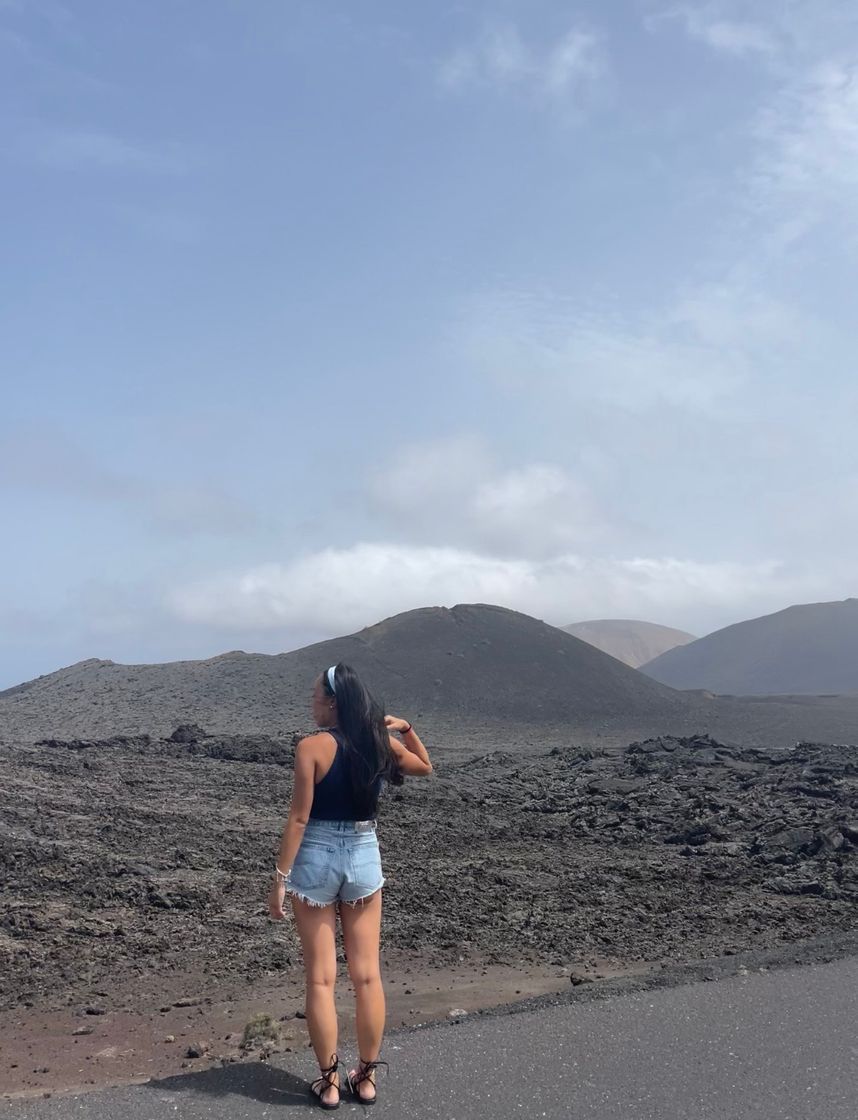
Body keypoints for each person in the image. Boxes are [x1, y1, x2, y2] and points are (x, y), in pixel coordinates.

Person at [268, 662, 432, 1109]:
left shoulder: (310, 748)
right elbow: (424, 767)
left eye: (315, 696)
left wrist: (280, 878)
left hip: (315, 859)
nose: (311, 703)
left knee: (321, 979)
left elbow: (299, 818)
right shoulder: (378, 744)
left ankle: (329, 1082)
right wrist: (406, 728)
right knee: (366, 975)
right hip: (362, 855)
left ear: (333, 701)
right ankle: (367, 1078)